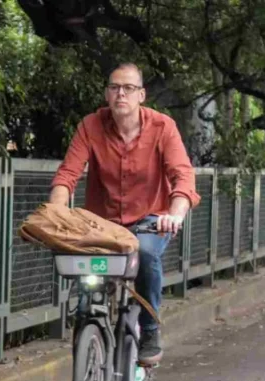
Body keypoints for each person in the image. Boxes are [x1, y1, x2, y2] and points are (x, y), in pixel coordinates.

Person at [48, 62, 199, 365]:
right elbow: (67, 175)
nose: (121, 94)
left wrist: (175, 213)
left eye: (128, 88)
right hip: (101, 225)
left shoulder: (162, 127)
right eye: (115, 87)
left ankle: (151, 329)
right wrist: (55, 212)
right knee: (87, 284)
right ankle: (87, 332)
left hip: (149, 221)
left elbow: (183, 178)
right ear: (106, 93)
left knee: (144, 252)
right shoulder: (90, 126)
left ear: (141, 94)